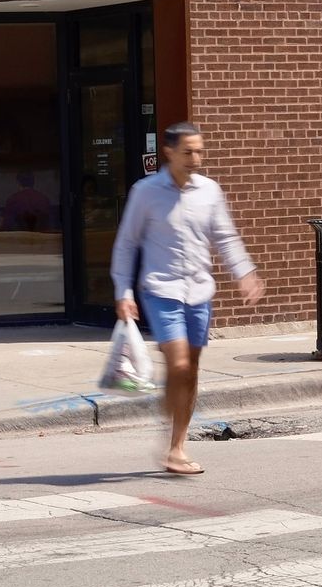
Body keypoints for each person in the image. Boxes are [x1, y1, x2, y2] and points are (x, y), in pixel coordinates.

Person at [110, 121, 263, 476]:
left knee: (190, 370)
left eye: (200, 151)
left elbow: (224, 237)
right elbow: (127, 244)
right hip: (160, 290)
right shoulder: (146, 192)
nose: (196, 158)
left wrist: (244, 273)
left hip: (199, 291)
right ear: (169, 152)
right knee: (178, 365)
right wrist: (123, 291)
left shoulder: (209, 191)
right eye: (188, 152)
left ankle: (177, 446)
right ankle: (171, 436)